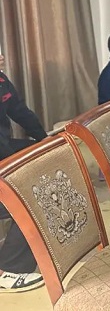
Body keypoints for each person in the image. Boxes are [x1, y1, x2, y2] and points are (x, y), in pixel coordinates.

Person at [0, 54, 46, 292]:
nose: (1, 56)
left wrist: (44, 140)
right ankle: (9, 269)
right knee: (29, 198)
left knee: (42, 160)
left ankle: (39, 240)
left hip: (3, 151)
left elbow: (19, 111)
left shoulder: (1, 80)